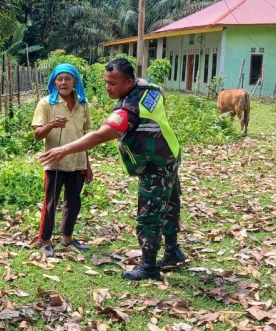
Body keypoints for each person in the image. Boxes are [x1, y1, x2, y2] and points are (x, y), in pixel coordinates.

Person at [38, 58, 186, 281]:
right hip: (170, 153)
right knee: (171, 204)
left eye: (113, 84)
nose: (108, 87)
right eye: (106, 82)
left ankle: (149, 266)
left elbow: (98, 135)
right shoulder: (150, 87)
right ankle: (173, 250)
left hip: (154, 164)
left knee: (150, 214)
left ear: (128, 82)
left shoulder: (128, 110)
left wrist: (64, 150)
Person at [32, 63, 93, 257]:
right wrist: (51, 124)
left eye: (67, 79)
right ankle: (46, 240)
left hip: (78, 162)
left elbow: (84, 136)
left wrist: (88, 164)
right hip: (55, 163)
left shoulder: (83, 104)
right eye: (59, 79)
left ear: (75, 81)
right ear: (54, 82)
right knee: (51, 202)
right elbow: (37, 135)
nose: (63, 82)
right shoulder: (46, 103)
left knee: (73, 202)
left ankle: (67, 237)